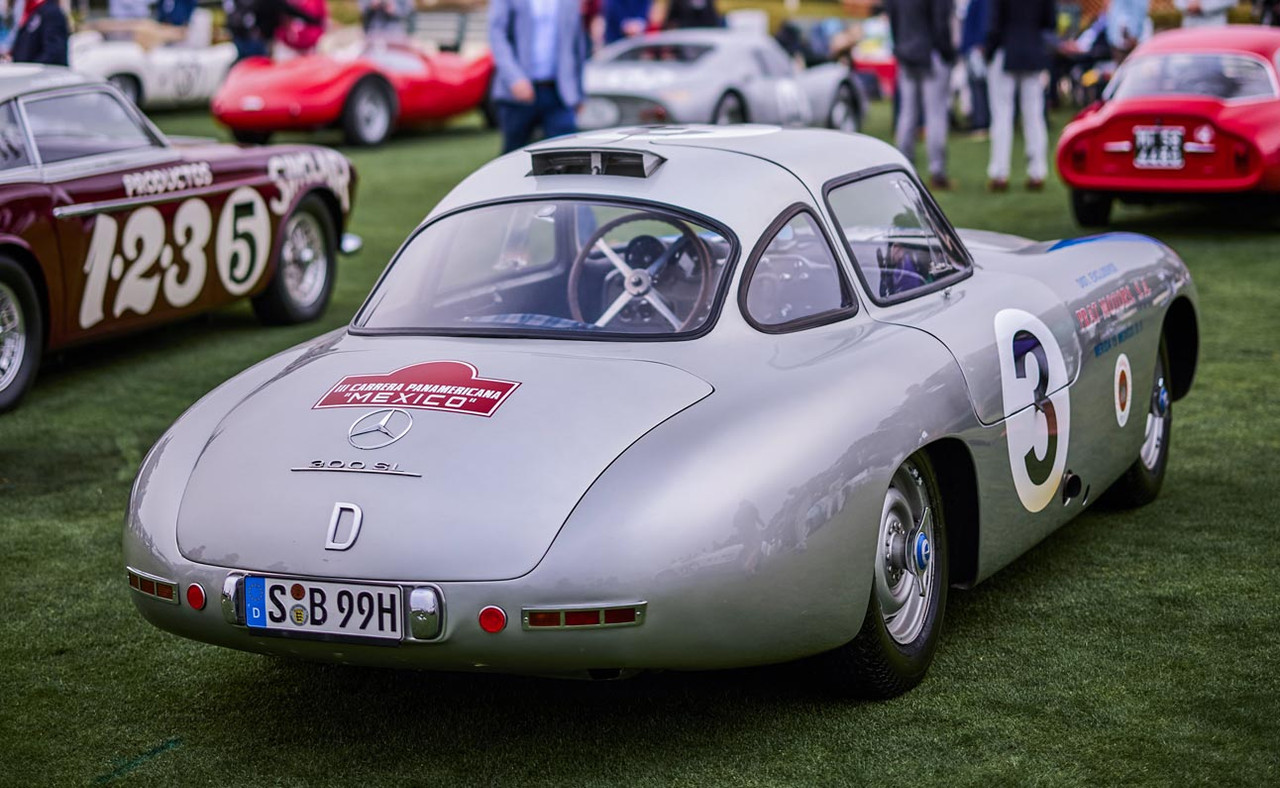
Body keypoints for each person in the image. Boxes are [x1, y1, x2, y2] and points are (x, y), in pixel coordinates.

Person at [488, 0, 589, 153]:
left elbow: (577, 44)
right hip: (518, 93)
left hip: (559, 92)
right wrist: (514, 78)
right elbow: (497, 36)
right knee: (514, 157)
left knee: (567, 154)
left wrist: (579, 92)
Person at [885, 0, 957, 190]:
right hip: (930, 54)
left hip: (906, 52)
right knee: (935, 113)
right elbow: (942, 23)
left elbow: (892, 19)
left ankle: (901, 166)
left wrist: (900, 47)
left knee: (907, 113)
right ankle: (937, 171)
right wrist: (947, 53)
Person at [984, 0, 1054, 192]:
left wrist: (988, 51)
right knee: (1034, 115)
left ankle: (999, 173)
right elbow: (1050, 21)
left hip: (1005, 50)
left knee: (1002, 114)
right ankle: (1037, 172)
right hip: (1032, 49)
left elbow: (994, 23)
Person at [224, 0, 321, 61]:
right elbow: (290, 10)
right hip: (257, 38)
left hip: (243, 35)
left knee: (244, 62)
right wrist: (314, 21)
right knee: (255, 64)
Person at [9, 0, 68, 65]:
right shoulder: (34, 10)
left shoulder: (51, 11)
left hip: (44, 73)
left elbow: (55, 53)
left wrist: (29, 69)